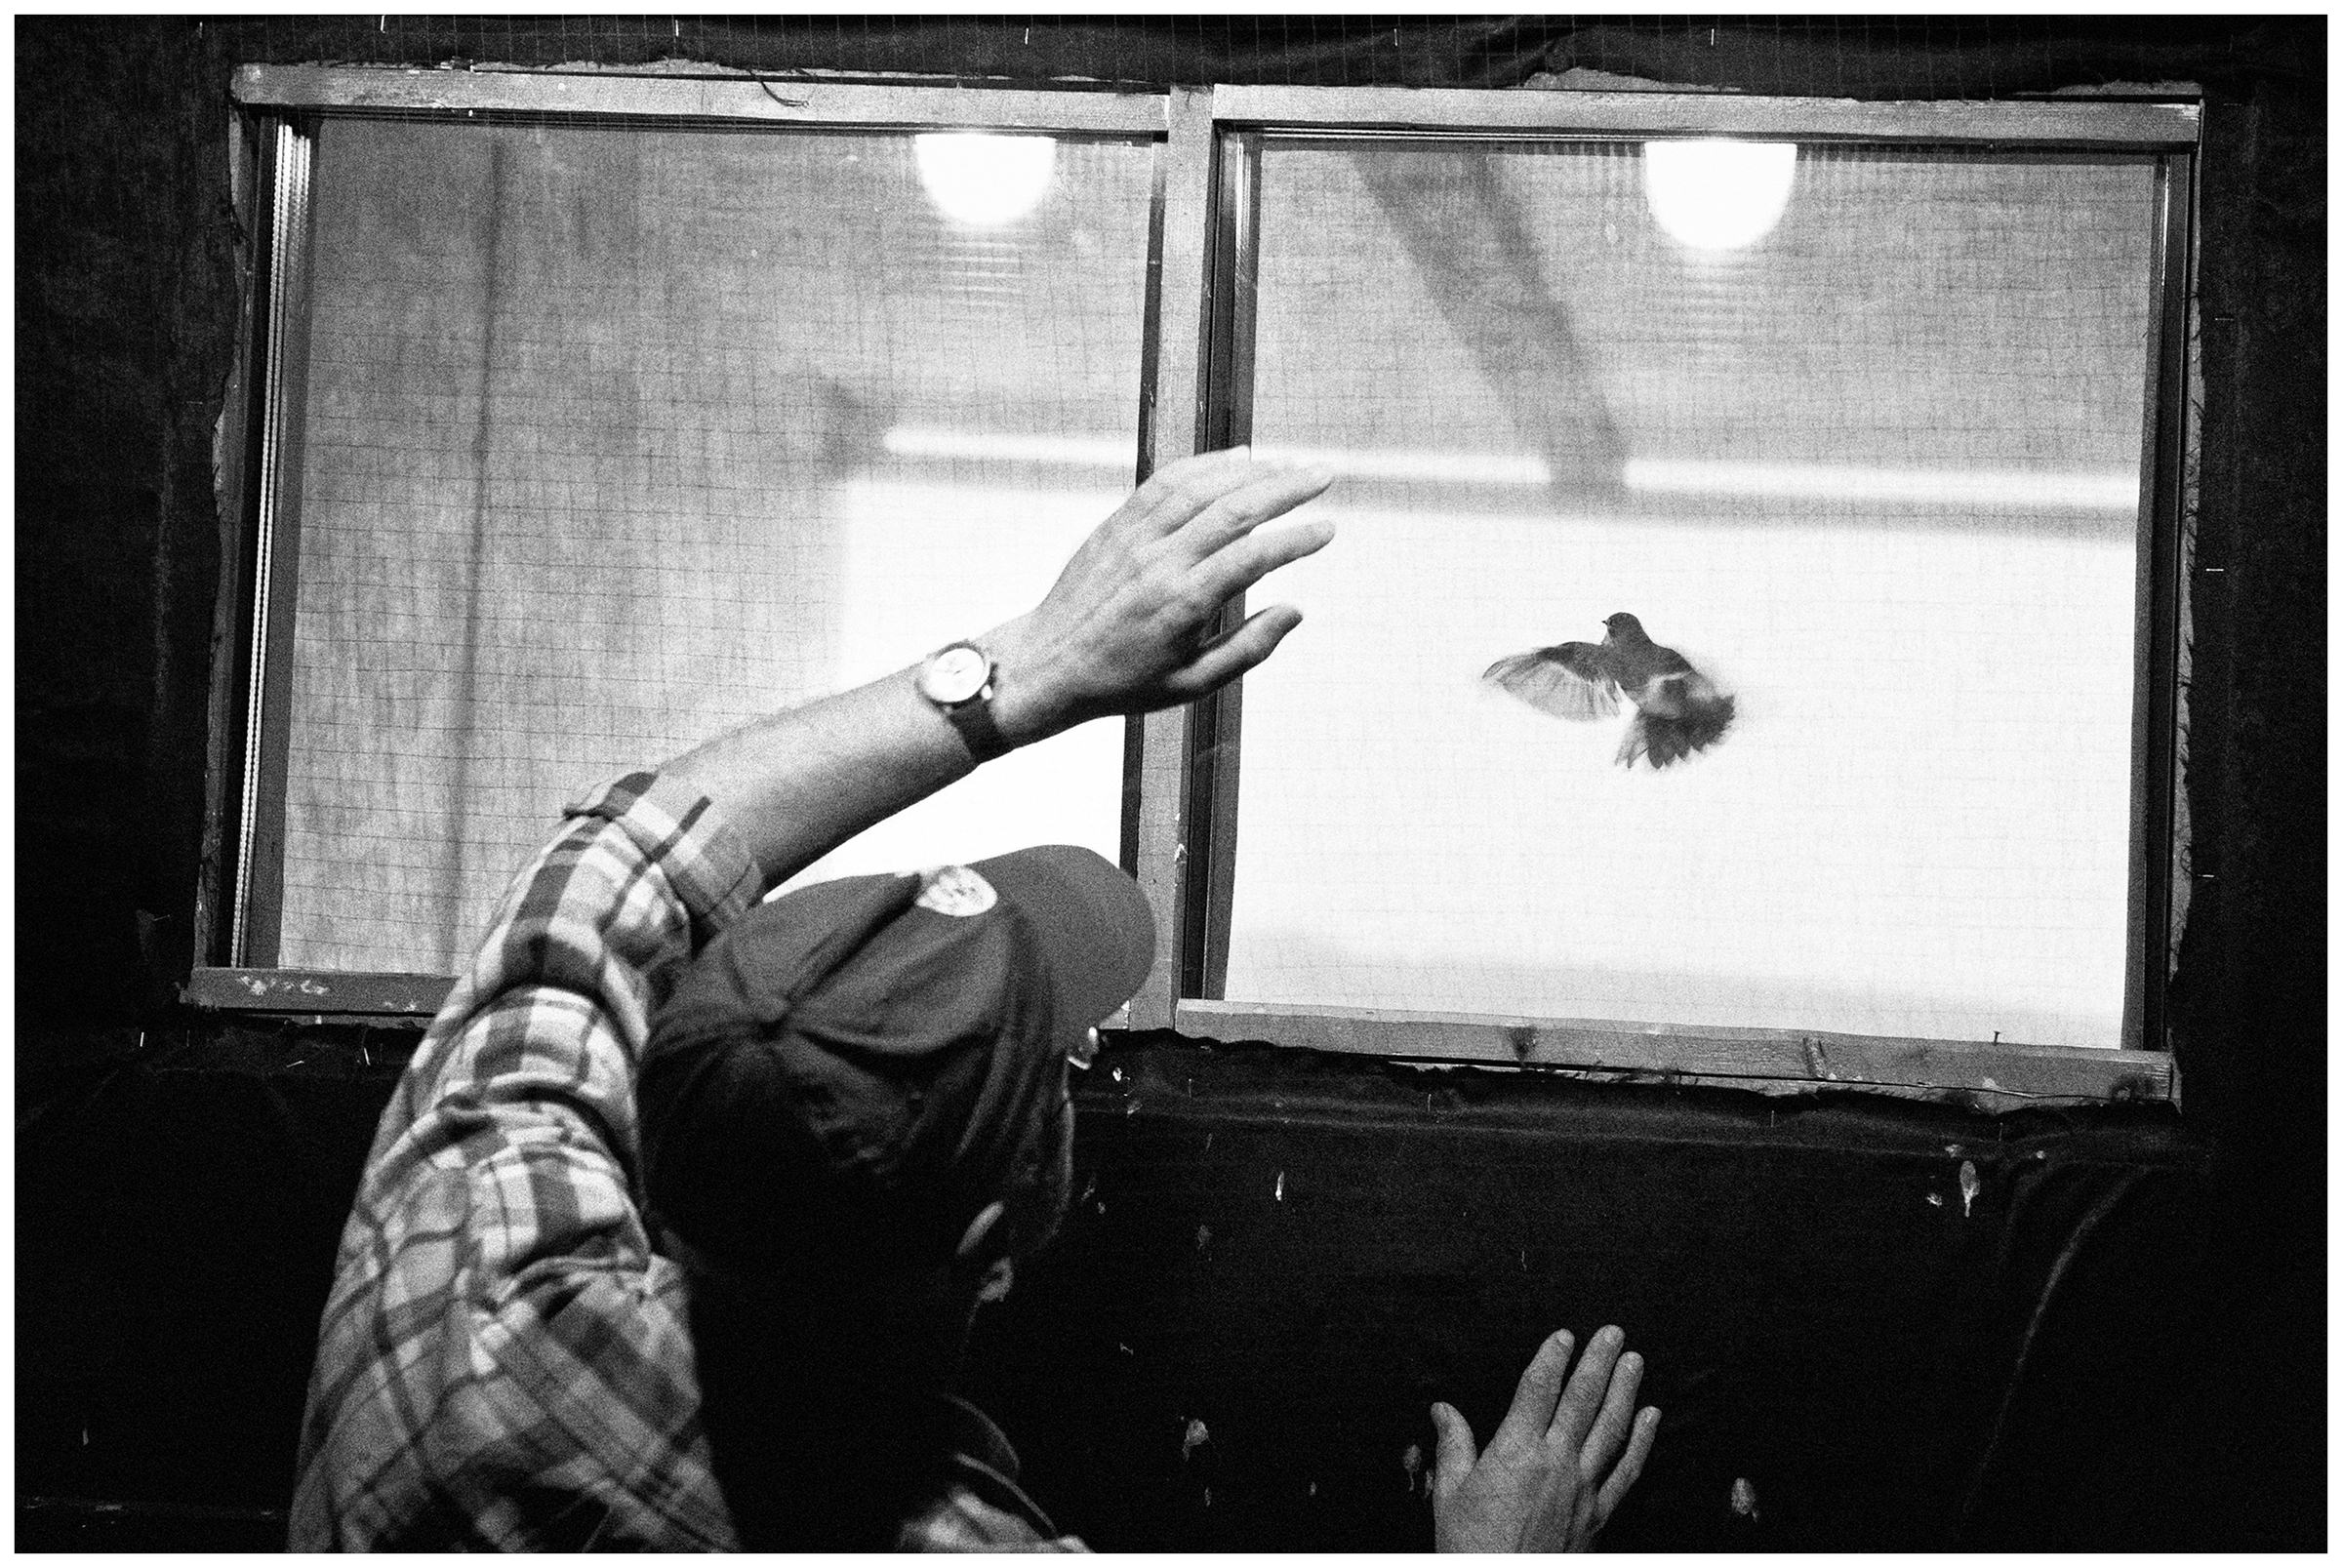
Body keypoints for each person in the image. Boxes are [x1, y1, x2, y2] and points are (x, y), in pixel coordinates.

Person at [288, 449, 1659, 1550]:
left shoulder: (462, 1276)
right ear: (999, 1243)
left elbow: (626, 854)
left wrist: (1020, 672)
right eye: (1047, 1069)